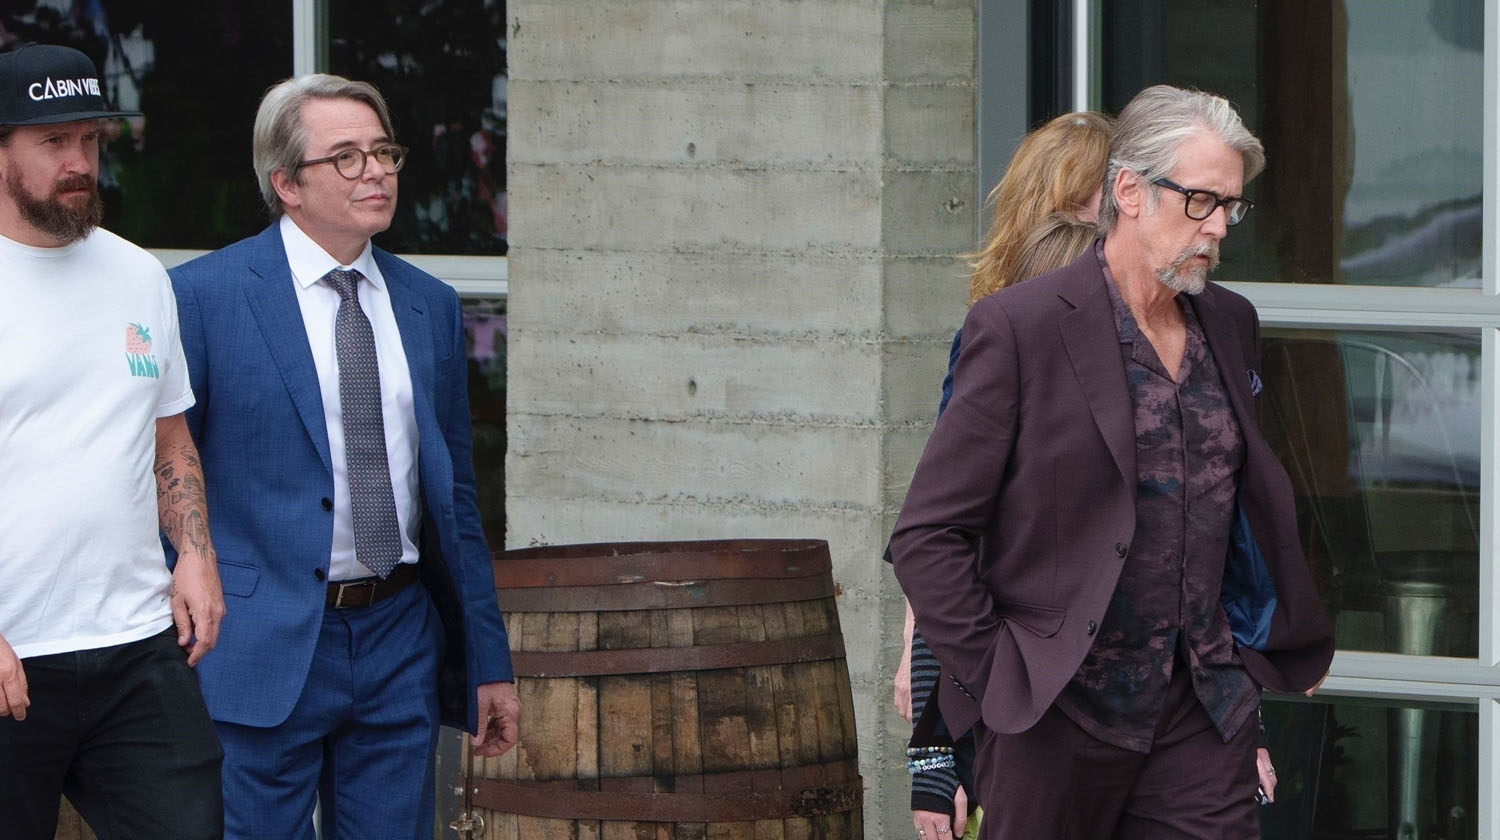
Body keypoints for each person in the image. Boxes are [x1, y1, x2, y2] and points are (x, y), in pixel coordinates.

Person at [890, 84, 1334, 840]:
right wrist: (997, 673)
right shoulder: (1020, 328)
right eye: (1200, 201)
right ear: (1129, 191)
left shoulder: (1231, 323)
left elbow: (1234, 510)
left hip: (1199, 716)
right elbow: (927, 536)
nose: (1217, 226)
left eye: (1230, 206)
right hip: (1054, 714)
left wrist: (1259, 655)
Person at [168, 74, 519, 840]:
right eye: (348, 158)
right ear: (286, 183)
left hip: (398, 635)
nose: (377, 173)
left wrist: (488, 661)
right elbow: (164, 471)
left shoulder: (429, 304)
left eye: (384, 152)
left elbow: (456, 502)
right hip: (259, 641)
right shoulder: (201, 298)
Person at [0, 42, 224, 839]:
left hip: (136, 647)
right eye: (53, 141)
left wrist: (194, 553)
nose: (79, 162)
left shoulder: (139, 276)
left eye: (90, 140)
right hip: (12, 648)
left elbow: (170, 438)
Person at [895, 112, 1113, 840]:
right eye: (1103, 198)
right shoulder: (1000, 335)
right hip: (1014, 671)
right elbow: (943, 531)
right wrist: (932, 738)